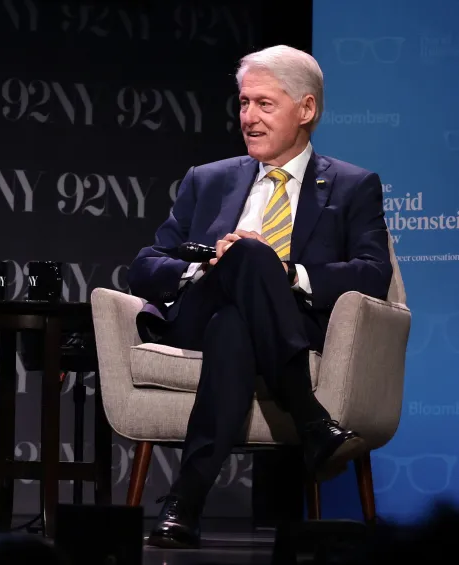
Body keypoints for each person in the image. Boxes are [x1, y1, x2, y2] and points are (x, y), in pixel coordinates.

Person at [127, 45, 392, 549]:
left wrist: (287, 272)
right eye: (244, 103)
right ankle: (312, 419)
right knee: (243, 264)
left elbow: (372, 274)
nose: (248, 117)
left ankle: (186, 499)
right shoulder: (208, 180)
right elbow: (145, 266)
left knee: (239, 315)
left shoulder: (353, 186)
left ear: (306, 109)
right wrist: (207, 264)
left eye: (264, 104)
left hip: (282, 320)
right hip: (197, 312)